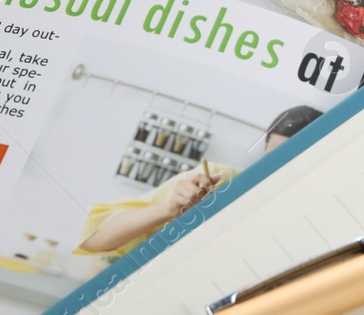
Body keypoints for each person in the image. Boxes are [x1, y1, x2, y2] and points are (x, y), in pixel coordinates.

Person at [76, 105, 322, 257]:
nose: (276, 168)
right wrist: (167, 209)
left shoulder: (315, 211)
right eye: (272, 157)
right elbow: (94, 240)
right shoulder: (218, 181)